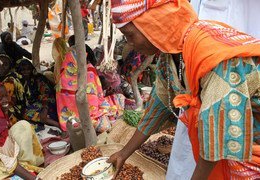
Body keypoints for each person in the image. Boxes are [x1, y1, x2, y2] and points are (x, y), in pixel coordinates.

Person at [107, 0, 260, 179]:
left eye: (130, 35)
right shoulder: (171, 55)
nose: (129, 44)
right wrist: (123, 154)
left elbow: (216, 138)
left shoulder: (214, 58)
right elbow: (158, 106)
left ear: (153, 23)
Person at [16, 59, 59, 128]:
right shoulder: (18, 82)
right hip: (35, 104)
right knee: (22, 112)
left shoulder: (38, 79)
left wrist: (45, 108)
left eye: (28, 69)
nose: (26, 72)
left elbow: (46, 94)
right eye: (23, 69)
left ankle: (57, 124)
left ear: (31, 69)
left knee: (30, 114)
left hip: (47, 102)